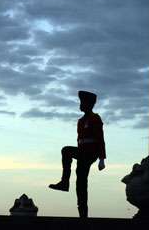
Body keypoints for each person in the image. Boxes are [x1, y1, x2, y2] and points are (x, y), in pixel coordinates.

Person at [49, 90, 106, 218]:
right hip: (82, 153)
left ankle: (64, 183)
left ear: (89, 105)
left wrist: (102, 159)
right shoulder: (80, 121)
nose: (80, 105)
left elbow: (100, 139)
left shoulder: (95, 118)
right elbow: (79, 140)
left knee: (66, 150)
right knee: (80, 182)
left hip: (91, 153)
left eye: (83, 103)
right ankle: (83, 214)